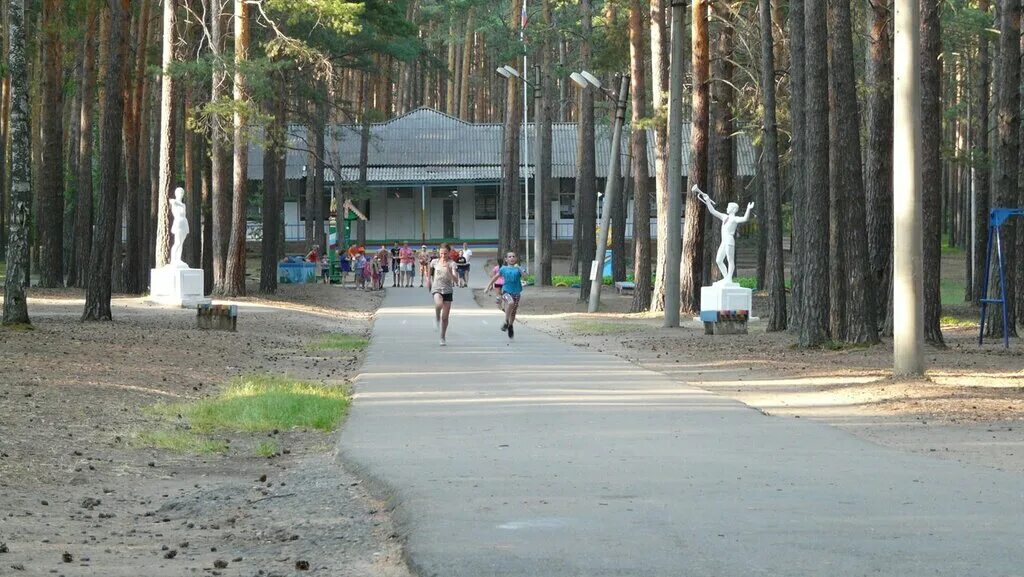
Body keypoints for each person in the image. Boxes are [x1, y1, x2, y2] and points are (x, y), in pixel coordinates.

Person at [693, 184, 754, 285]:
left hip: (729, 241)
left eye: (729, 207)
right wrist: (707, 200)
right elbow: (712, 211)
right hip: (724, 241)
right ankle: (727, 278)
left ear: (734, 209)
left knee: (730, 260)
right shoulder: (724, 217)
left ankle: (729, 278)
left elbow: (745, 219)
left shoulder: (734, 219)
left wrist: (748, 209)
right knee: (718, 260)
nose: (727, 208)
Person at [487, 251, 525, 340]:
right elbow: (495, 277)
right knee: (510, 303)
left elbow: (525, 277)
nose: (512, 258)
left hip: (517, 292)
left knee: (513, 312)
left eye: (513, 256)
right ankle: (506, 321)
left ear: (516, 259)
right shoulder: (503, 269)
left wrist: (519, 268)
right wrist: (488, 286)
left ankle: (510, 325)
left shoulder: (518, 269)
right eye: (510, 257)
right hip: (506, 292)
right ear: (506, 259)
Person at [428, 242, 459, 346]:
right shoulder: (435, 262)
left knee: (445, 317)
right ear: (439, 253)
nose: (443, 256)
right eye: (441, 253)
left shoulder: (452, 264)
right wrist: (428, 280)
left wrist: (450, 272)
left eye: (445, 253)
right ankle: (437, 318)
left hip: (448, 290)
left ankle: (442, 337)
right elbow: (430, 270)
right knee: (438, 304)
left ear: (449, 253)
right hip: (437, 288)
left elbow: (456, 280)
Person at [169, 187, 189, 267]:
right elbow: (171, 201)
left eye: (182, 193)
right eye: (179, 193)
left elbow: (183, 211)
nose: (181, 194)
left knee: (181, 243)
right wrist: (175, 202)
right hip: (178, 223)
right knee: (177, 242)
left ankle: (178, 258)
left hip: (184, 223)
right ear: (176, 194)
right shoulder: (174, 202)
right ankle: (173, 259)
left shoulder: (183, 205)